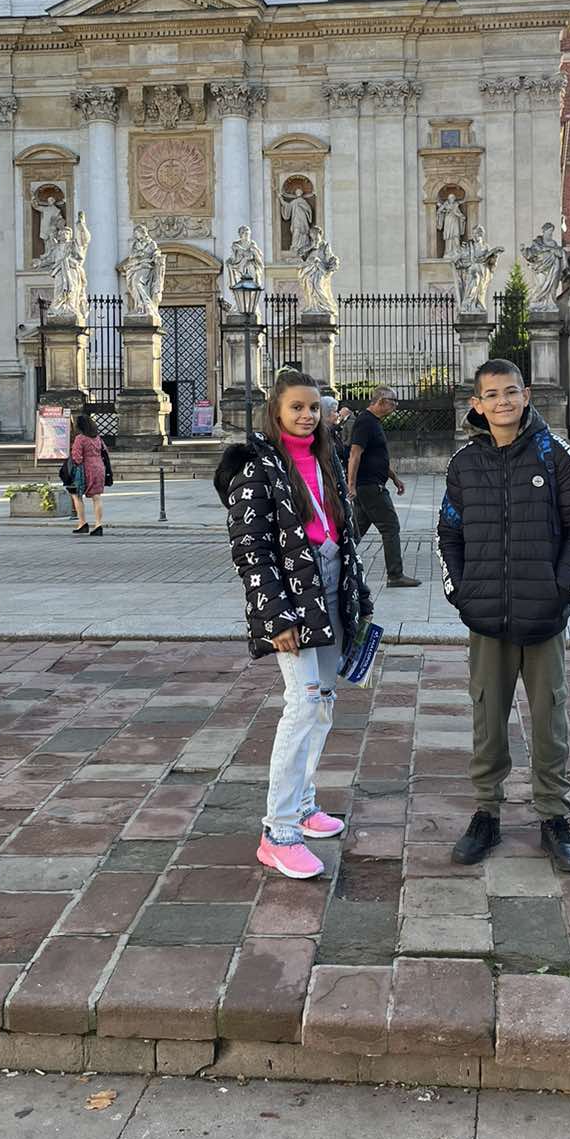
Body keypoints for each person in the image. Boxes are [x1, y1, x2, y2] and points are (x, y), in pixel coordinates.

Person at [438, 358, 570, 873]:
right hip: (486, 618)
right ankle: (486, 813)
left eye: (511, 392)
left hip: (544, 617)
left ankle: (554, 816)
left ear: (526, 395)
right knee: (487, 718)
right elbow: (449, 533)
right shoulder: (464, 464)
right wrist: (460, 592)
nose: (502, 401)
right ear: (477, 404)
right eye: (492, 395)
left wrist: (562, 591)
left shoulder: (554, 454)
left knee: (549, 718)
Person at [214, 369, 373, 880]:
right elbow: (251, 550)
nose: (307, 415)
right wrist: (276, 617)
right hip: (291, 600)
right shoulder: (256, 467)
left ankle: (303, 804)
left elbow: (341, 533)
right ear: (277, 412)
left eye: (314, 407)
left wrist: (359, 597)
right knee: (301, 706)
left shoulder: (326, 457)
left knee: (322, 704)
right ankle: (277, 832)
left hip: (331, 587)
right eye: (297, 407)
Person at [346, 387, 420, 588]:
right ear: (380, 401)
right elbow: (355, 453)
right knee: (390, 526)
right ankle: (395, 575)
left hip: (370, 485)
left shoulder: (374, 422)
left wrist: (394, 478)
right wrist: (351, 484)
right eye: (393, 401)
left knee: (356, 532)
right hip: (369, 486)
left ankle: (337, 563)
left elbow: (377, 457)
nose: (396, 405)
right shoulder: (365, 422)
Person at [70, 411, 109, 536]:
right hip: (99, 468)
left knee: (76, 494)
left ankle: (82, 523)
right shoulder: (97, 438)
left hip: (86, 469)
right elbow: (104, 451)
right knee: (96, 497)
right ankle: (98, 524)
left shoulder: (80, 438)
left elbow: (77, 457)